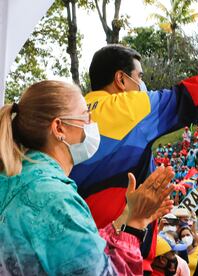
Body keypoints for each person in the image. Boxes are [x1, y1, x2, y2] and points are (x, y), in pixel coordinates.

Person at [69, 44, 198, 274]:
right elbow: (190, 95)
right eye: (139, 77)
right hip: (113, 256)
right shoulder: (127, 107)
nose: (142, 86)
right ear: (121, 79)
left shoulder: (67, 118)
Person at [0, 80, 175, 275]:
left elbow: (75, 251)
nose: (93, 124)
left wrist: (126, 216)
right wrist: (135, 225)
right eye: (86, 116)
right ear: (59, 128)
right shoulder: (55, 199)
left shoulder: (14, 179)